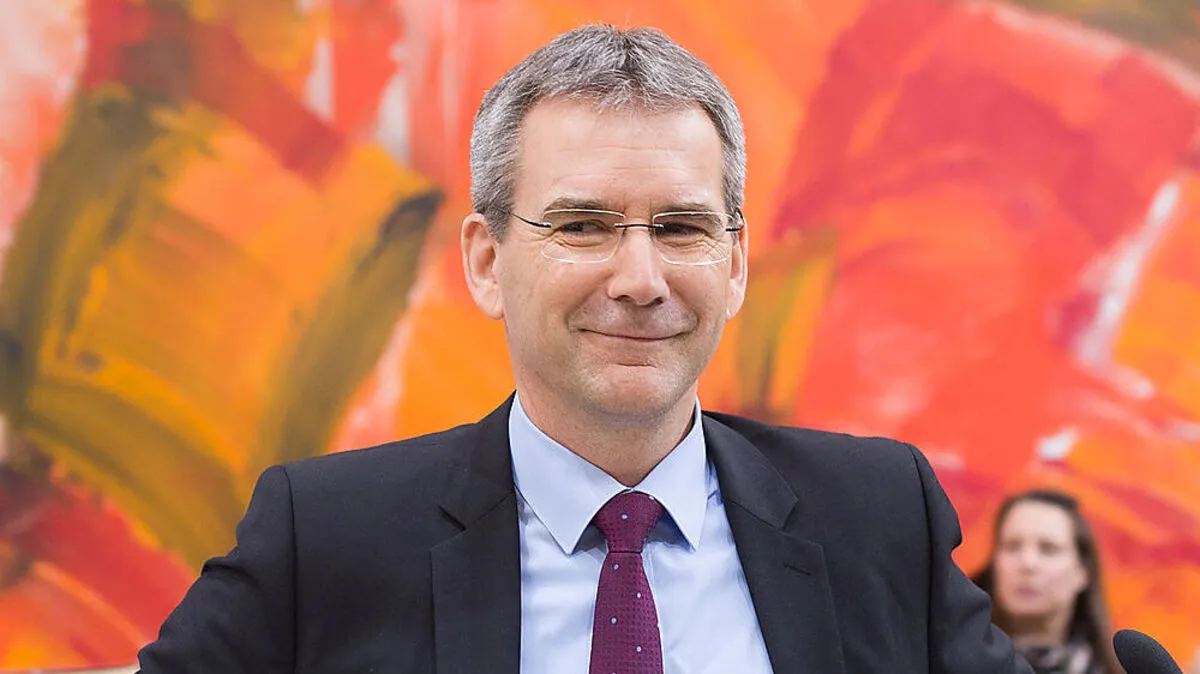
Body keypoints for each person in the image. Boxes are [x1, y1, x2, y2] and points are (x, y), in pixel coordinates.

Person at [137, 24, 1033, 673]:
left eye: (680, 228)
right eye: (583, 226)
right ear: (487, 262)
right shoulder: (326, 538)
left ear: (735, 265)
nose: (641, 279)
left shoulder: (876, 516)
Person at [972, 490, 1122, 674]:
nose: (1028, 563)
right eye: (1012, 546)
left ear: (1083, 572)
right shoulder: (952, 659)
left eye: (1048, 549)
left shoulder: (1112, 669)